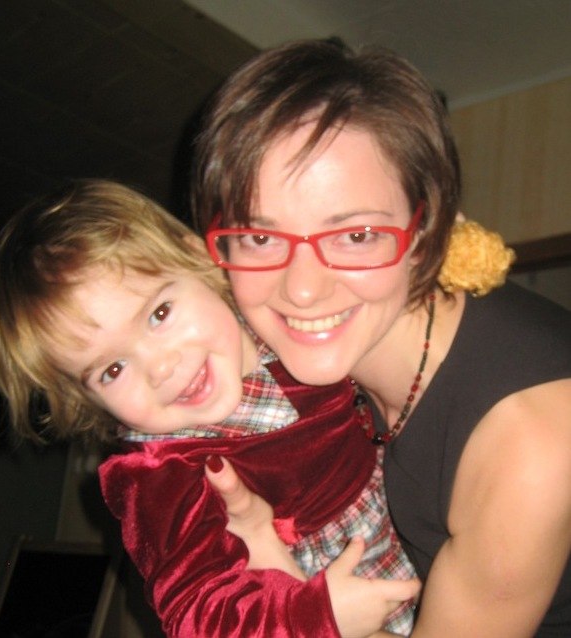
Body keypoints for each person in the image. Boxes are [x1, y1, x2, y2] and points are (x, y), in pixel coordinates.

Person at [190, 38, 571, 637]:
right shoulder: (332, 346)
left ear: (425, 229)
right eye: (260, 239)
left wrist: (295, 605)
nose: (303, 291)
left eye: (356, 236)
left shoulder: (531, 441)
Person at [0, 178, 419, 638]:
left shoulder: (285, 318)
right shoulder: (160, 473)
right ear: (85, 400)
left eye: (159, 314)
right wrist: (315, 616)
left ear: (196, 257)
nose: (161, 367)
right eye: (112, 370)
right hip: (341, 599)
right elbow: (197, 613)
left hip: (418, 504)